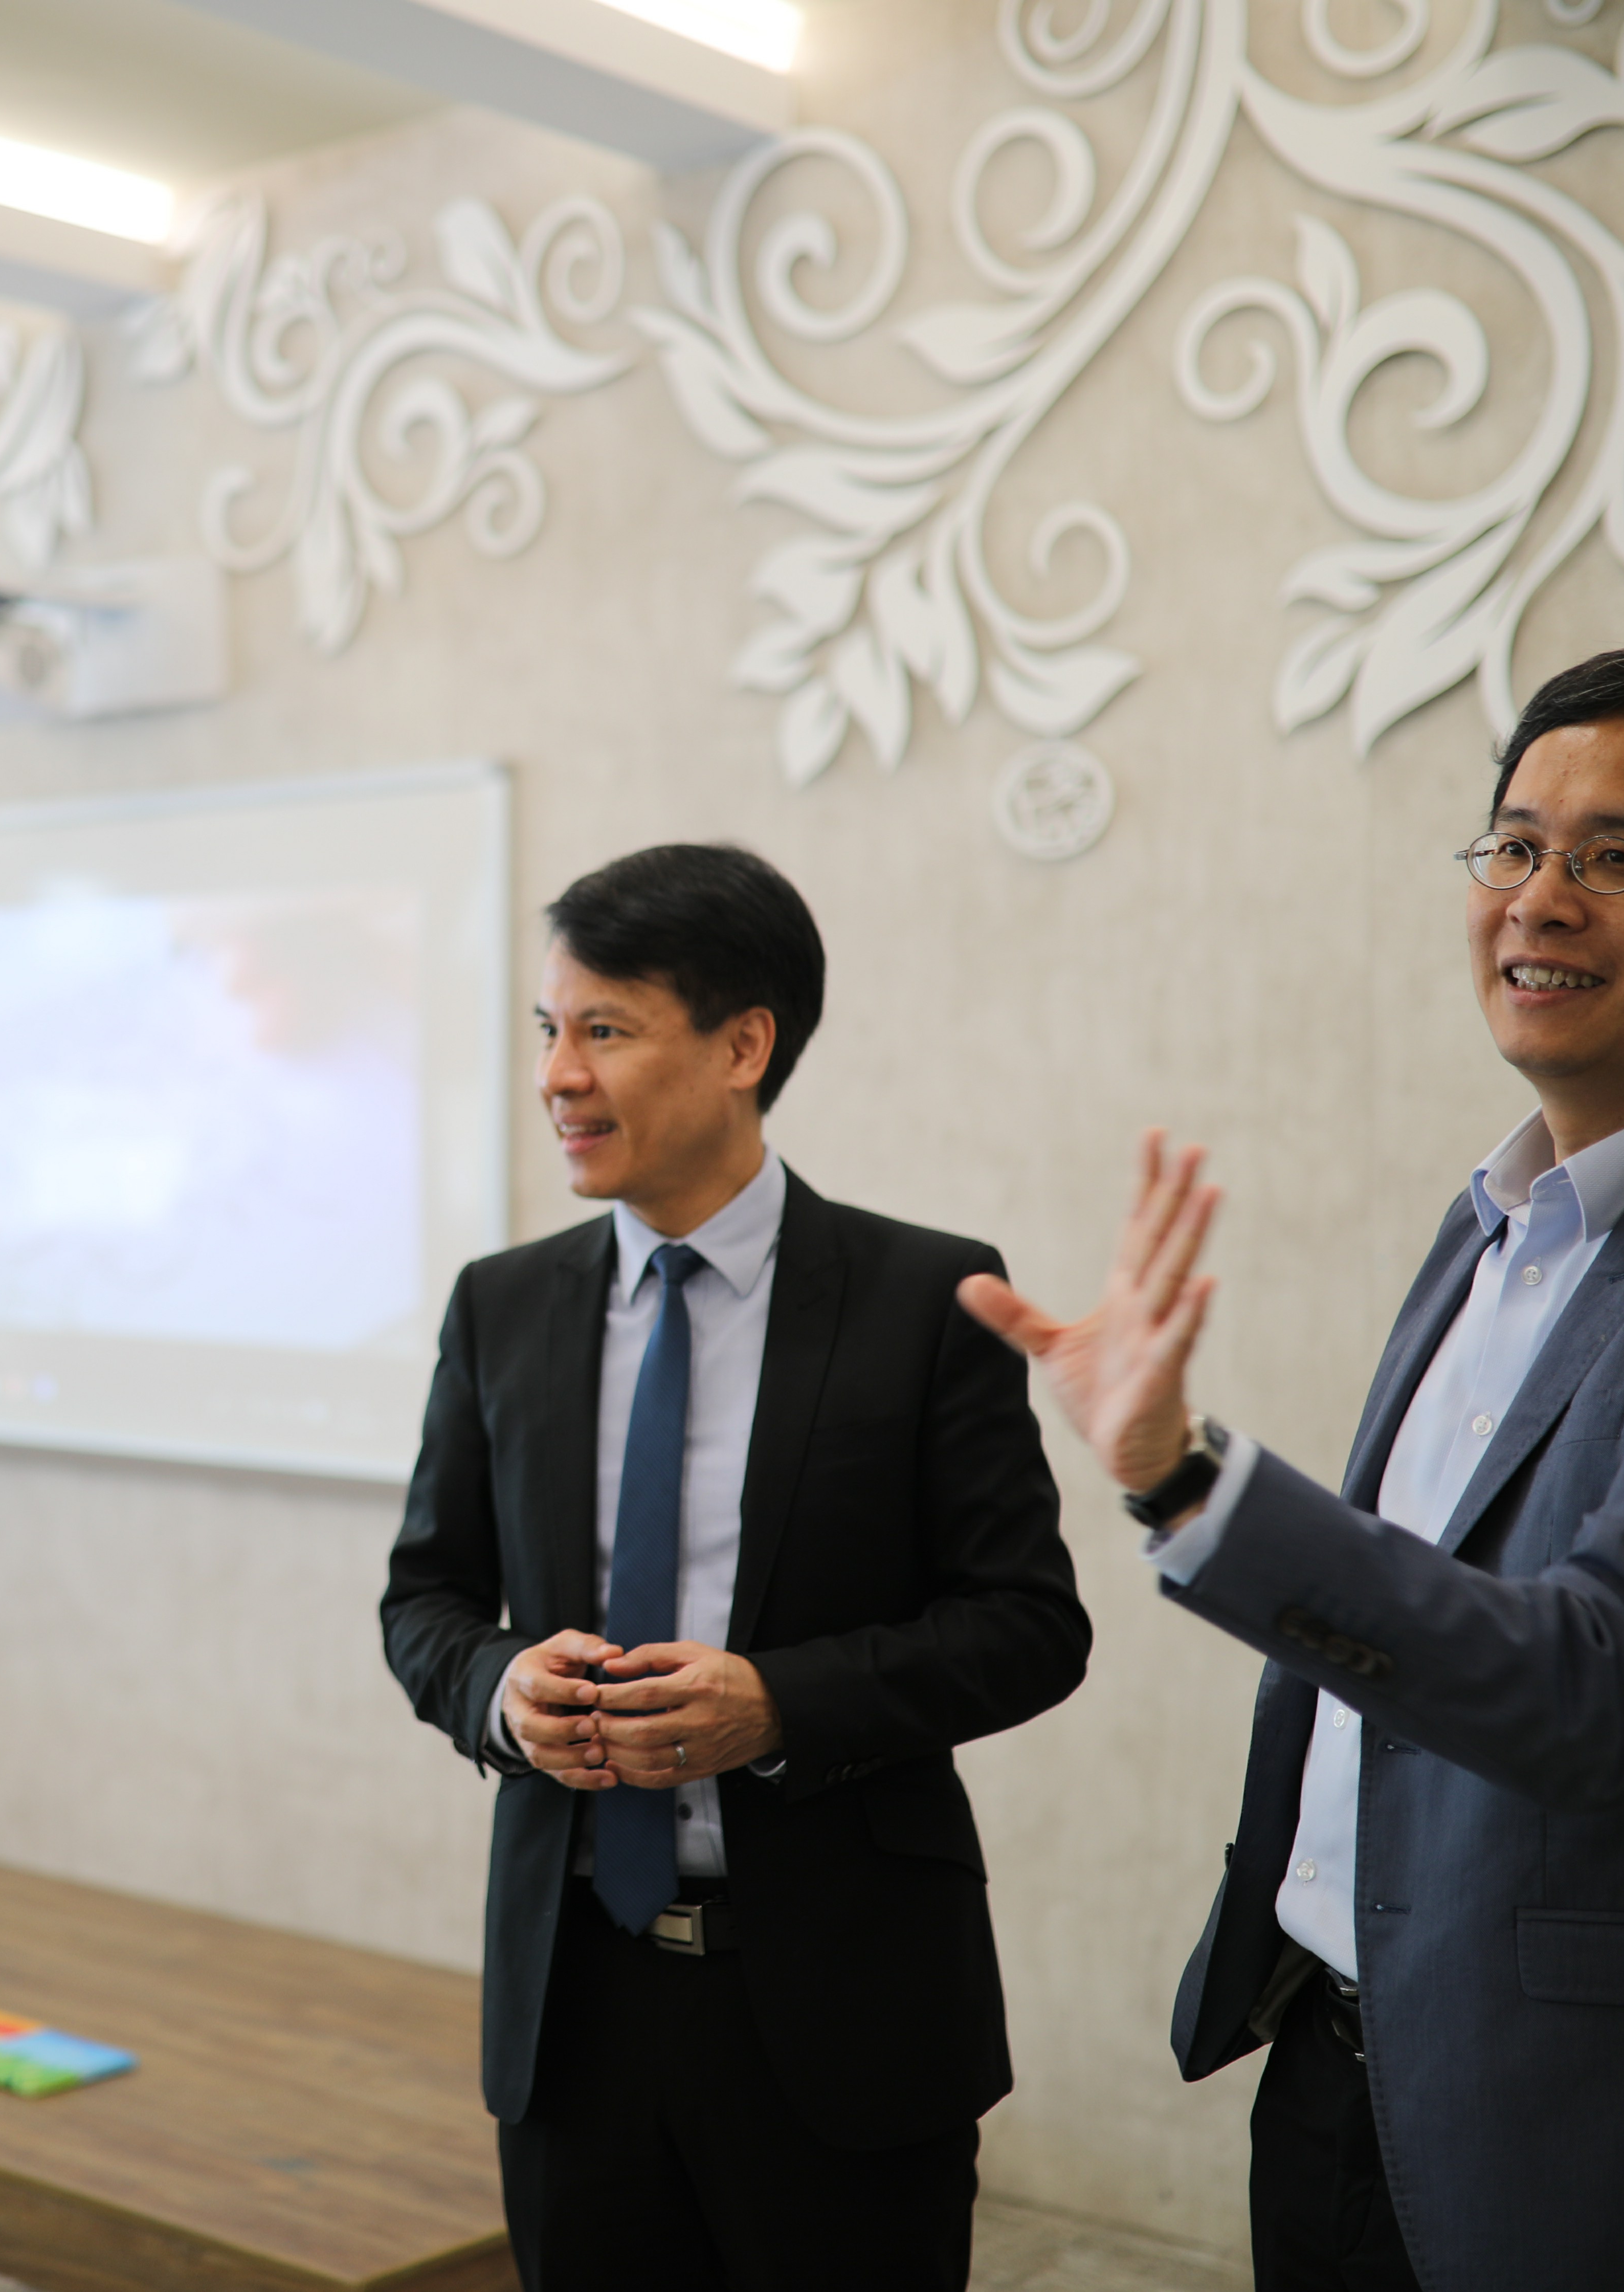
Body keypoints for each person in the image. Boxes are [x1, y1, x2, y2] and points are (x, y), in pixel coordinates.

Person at [961, 646, 1624, 2290]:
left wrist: (1197, 1486)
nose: (1539, 899)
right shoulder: (1492, 1218)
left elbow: (1608, 1686)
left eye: (1617, 855)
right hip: (1332, 2065)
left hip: (1592, 2128)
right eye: (1513, 845)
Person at [380, 843, 1090, 2289]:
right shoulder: (502, 1307)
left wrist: (776, 1706)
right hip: (573, 2006)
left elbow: (1028, 1626)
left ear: (742, 1046)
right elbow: (426, 1602)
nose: (558, 1076)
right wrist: (501, 1690)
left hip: (842, 2005)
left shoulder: (924, 1298)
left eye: (605, 1030)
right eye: (548, 1029)